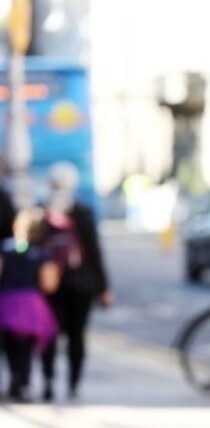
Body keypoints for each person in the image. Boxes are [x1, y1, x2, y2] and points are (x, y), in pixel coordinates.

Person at [40, 162, 112, 401]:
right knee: (77, 335)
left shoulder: (41, 212)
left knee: (49, 333)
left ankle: (48, 381)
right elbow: (94, 251)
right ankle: (73, 384)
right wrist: (103, 287)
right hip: (81, 284)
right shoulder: (82, 212)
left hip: (50, 284)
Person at [0, 208, 60, 402]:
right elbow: (49, 285)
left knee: (11, 346)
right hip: (32, 305)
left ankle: (17, 379)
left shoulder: (4, 249)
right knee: (31, 346)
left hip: (7, 303)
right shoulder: (42, 254)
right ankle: (33, 381)